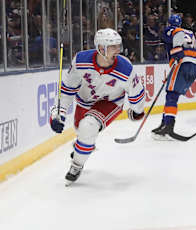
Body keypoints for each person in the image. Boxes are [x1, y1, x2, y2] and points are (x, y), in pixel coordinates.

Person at [49, 28, 146, 185]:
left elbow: (137, 93)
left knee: (88, 127)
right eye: (113, 47)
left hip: (111, 102)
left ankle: (76, 165)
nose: (118, 50)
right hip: (84, 101)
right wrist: (57, 114)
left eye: (118, 46)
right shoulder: (81, 61)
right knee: (81, 130)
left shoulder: (125, 68)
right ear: (101, 48)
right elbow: (67, 90)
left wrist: (137, 111)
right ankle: (84, 144)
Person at [151, 14, 196, 140]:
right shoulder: (190, 34)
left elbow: (176, 33)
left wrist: (177, 53)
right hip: (194, 66)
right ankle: (164, 123)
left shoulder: (171, 30)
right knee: (172, 95)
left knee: (171, 95)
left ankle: (168, 126)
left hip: (182, 63)